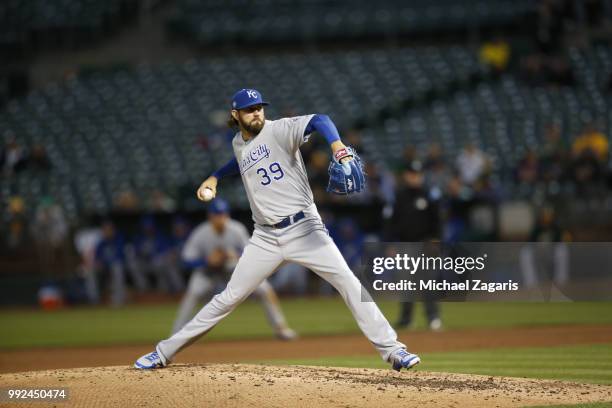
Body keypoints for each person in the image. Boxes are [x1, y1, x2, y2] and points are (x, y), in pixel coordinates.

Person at [135, 88, 419, 371]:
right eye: (249, 109)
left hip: (305, 228)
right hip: (265, 238)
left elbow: (320, 119)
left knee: (348, 282)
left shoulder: (280, 129)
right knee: (227, 299)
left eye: (259, 106)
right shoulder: (238, 143)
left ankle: (393, 350)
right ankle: (163, 352)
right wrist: (215, 176)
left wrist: (337, 146)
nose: (256, 112)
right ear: (236, 115)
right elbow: (243, 161)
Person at [172, 198, 297, 340]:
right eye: (216, 214)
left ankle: (281, 328)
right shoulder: (201, 233)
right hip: (207, 272)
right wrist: (205, 261)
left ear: (227, 215)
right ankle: (175, 336)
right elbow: (186, 260)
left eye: (222, 214)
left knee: (264, 289)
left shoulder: (236, 229)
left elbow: (251, 252)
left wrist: (236, 255)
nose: (220, 217)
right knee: (193, 293)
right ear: (210, 216)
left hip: (233, 270)